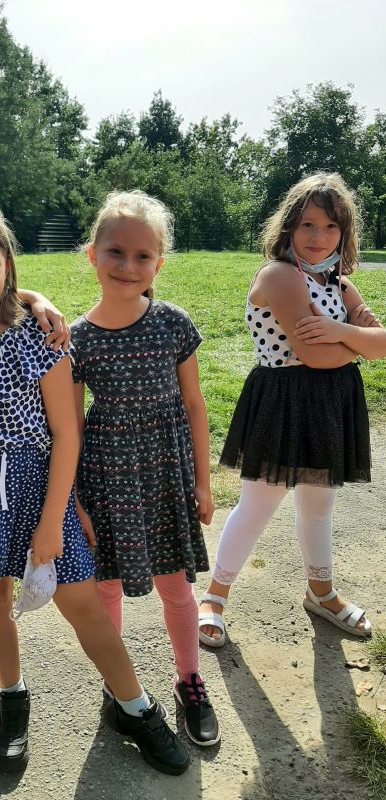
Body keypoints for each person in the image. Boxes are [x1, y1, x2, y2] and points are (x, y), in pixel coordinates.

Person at [0, 191, 190, 776]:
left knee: (83, 604)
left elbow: (67, 434)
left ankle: (135, 706)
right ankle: (13, 699)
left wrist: (53, 521)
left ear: (8, 264)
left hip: (39, 484)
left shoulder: (38, 335)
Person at [198, 172, 386, 648]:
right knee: (258, 505)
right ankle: (214, 597)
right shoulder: (279, 275)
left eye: (331, 226)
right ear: (288, 227)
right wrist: (357, 341)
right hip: (283, 402)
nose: (319, 236)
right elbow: (315, 355)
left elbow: (381, 345)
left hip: (330, 403)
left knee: (319, 504)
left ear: (344, 232)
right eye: (308, 225)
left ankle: (321, 592)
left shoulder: (339, 284)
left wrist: (340, 333)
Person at [71, 190, 221, 748]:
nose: (128, 266)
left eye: (142, 255)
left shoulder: (173, 324)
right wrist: (75, 503)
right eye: (115, 252)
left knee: (176, 587)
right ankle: (118, 686)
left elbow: (195, 406)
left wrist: (203, 481)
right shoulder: (76, 339)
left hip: (165, 474)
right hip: (106, 479)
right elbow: (71, 428)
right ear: (92, 254)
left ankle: (189, 681)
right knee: (106, 587)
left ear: (159, 263)